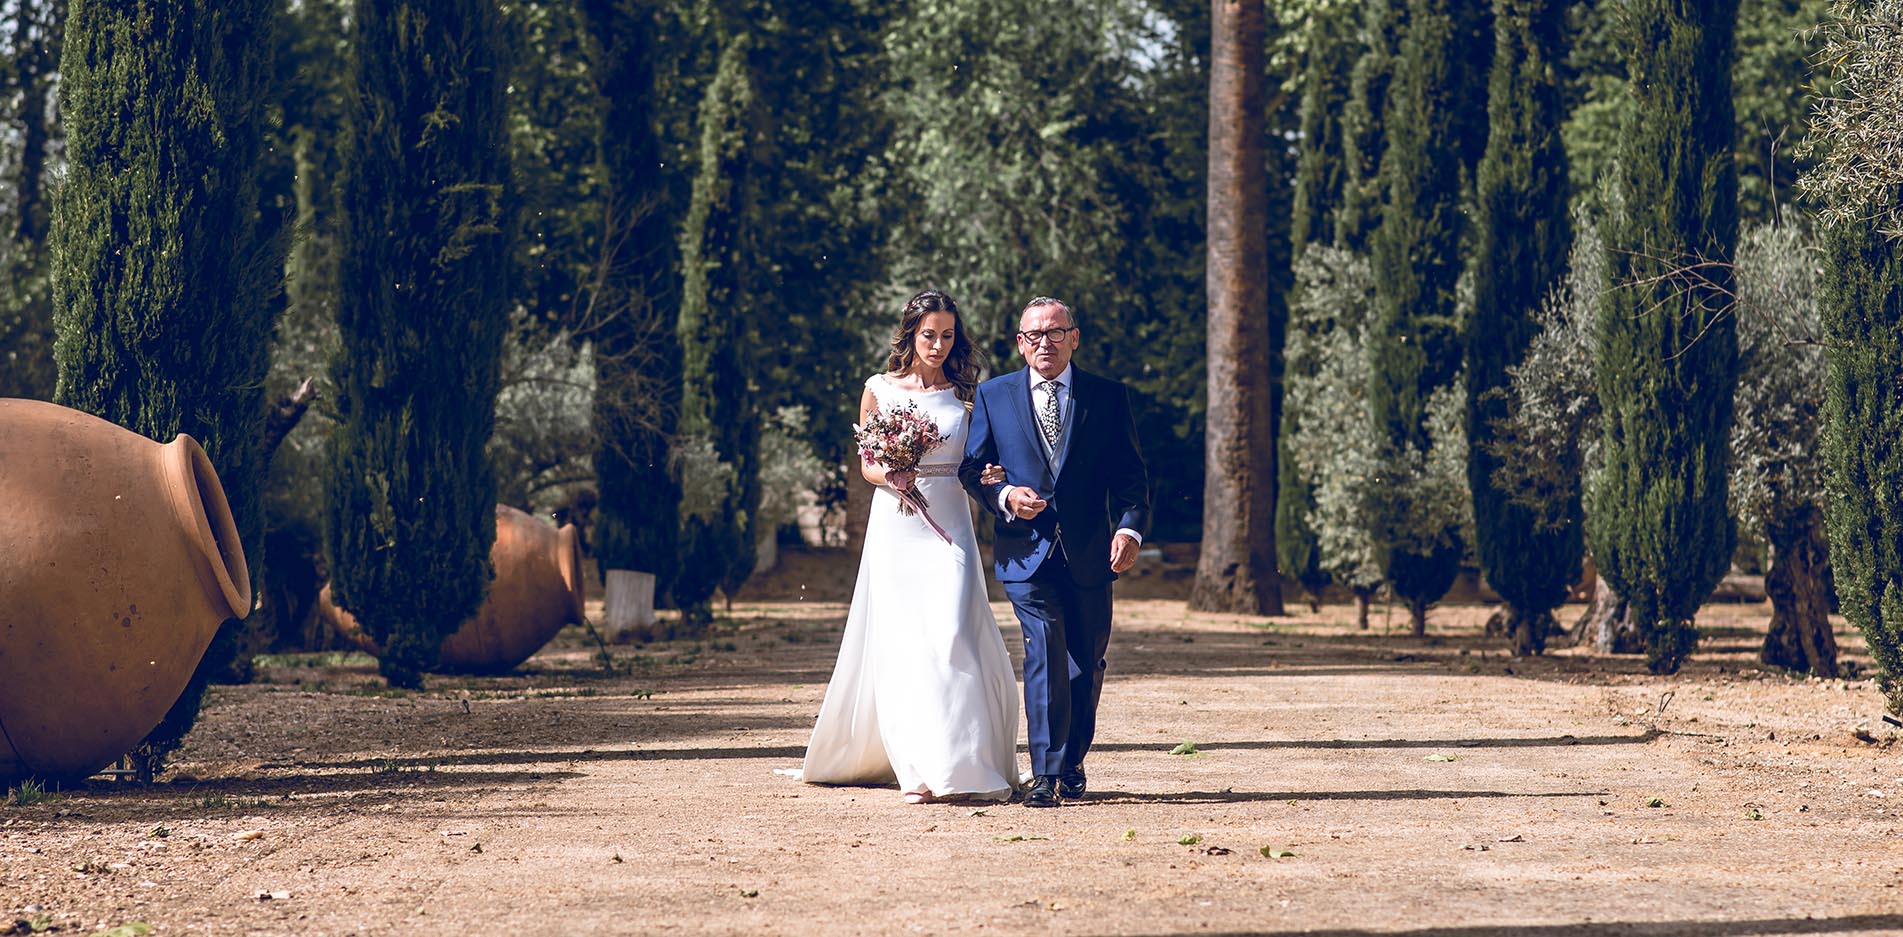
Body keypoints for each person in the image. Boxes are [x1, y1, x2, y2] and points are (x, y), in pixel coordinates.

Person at [796, 290, 1021, 803]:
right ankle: (919, 769)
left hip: (950, 521)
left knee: (954, 631)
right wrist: (890, 475)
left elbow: (980, 459)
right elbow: (866, 463)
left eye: (947, 335)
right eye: (929, 335)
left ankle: (964, 764)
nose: (938, 345)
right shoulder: (878, 388)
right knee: (905, 645)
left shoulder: (969, 394)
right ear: (910, 335)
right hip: (896, 525)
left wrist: (992, 473)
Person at [958, 296, 1149, 808]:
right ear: (1020, 344)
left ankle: (1072, 761)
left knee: (1086, 663)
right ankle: (1044, 774)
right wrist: (1004, 497)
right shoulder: (994, 396)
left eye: (1055, 332)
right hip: (1026, 555)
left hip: (1092, 555)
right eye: (1034, 335)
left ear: (1074, 337)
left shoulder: (1108, 398)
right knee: (1043, 650)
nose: (1045, 342)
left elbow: (1133, 482)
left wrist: (1129, 532)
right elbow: (972, 469)